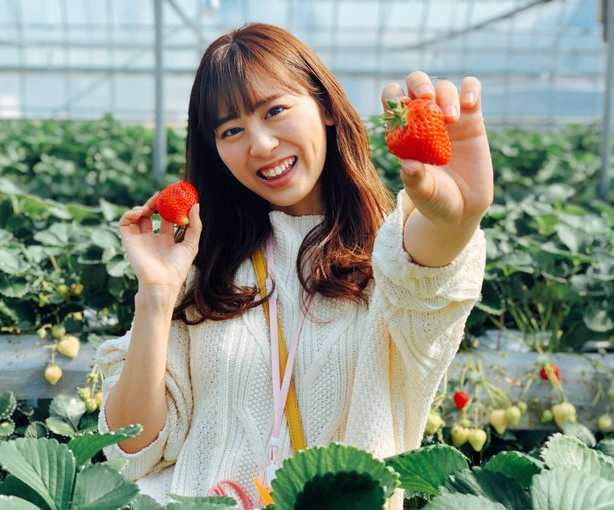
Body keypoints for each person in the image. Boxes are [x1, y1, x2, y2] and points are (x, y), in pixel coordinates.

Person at [96, 22, 492, 510]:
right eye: (232, 130)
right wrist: (157, 295)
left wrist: (458, 221)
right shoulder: (204, 267)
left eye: (275, 110)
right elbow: (131, 450)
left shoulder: (388, 260)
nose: (260, 144)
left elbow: (426, 276)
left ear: (325, 106)